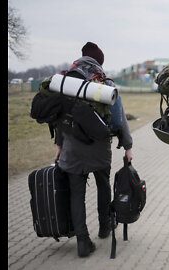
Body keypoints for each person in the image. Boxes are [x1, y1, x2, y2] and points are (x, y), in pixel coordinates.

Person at [54, 41, 134, 258]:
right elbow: (119, 120)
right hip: (99, 148)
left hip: (71, 148)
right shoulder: (105, 83)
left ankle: (82, 241)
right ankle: (104, 225)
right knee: (103, 185)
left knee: (76, 193)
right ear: (99, 62)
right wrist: (127, 146)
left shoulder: (67, 83)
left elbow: (60, 118)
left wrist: (59, 146)